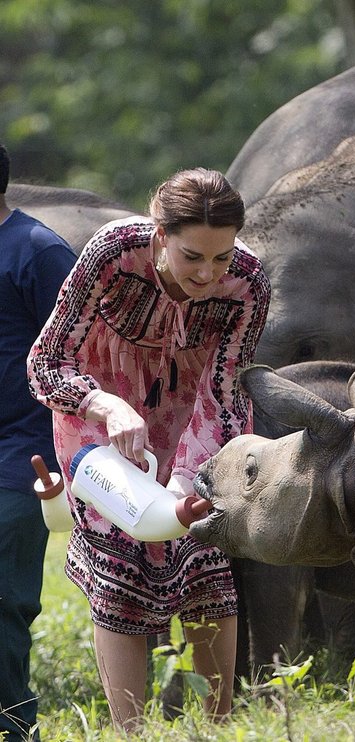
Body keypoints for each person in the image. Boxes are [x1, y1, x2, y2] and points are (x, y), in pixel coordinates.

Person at [27, 168, 270, 731]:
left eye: (221, 257)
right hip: (99, 421)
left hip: (195, 423)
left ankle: (219, 726)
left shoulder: (249, 284)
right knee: (119, 568)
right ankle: (129, 730)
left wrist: (190, 477)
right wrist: (105, 406)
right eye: (192, 257)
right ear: (160, 236)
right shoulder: (113, 254)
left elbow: (223, 387)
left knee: (205, 559)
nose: (208, 274)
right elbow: (47, 362)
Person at [0, 144, 77, 741]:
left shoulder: (39, 252)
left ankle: (14, 726)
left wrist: (64, 459)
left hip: (20, 456)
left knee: (4, 598)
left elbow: (77, 359)